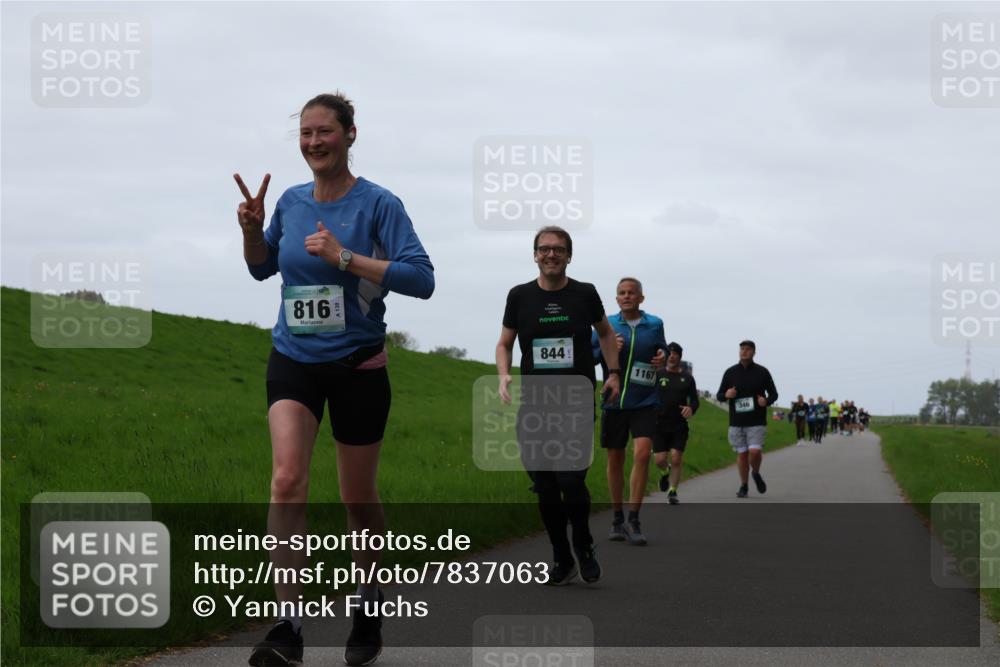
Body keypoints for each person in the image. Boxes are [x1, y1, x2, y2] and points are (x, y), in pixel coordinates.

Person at [238, 92, 434, 667]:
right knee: (286, 479)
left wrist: (345, 258)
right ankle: (288, 628)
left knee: (357, 499)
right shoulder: (292, 203)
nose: (314, 142)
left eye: (325, 132)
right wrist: (252, 229)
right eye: (305, 134)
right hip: (294, 357)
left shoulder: (379, 204)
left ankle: (368, 603)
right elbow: (260, 267)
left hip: (359, 366)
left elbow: (421, 279)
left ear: (350, 135)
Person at [497, 226, 621, 585]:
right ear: (534, 254)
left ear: (569, 255)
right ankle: (560, 554)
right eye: (544, 249)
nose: (551, 254)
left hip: (576, 401)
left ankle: (582, 543)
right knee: (546, 484)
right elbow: (505, 343)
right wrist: (504, 375)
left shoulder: (585, 294)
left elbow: (606, 333)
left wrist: (613, 373)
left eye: (559, 249)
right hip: (535, 404)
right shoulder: (519, 296)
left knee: (570, 477)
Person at [590, 278, 666, 545]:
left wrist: (662, 359)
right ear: (616, 298)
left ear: (641, 298)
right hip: (614, 401)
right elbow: (591, 356)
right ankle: (617, 518)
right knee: (615, 459)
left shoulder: (654, 324)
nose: (626, 297)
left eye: (631, 293)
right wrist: (608, 348)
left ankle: (634, 519)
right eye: (622, 293)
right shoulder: (606, 324)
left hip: (645, 399)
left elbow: (662, 351)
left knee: (643, 454)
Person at [716, 340, 778, 498]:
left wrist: (766, 401)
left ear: (754, 352)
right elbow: (719, 395)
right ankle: (744, 485)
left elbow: (774, 394)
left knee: (755, 452)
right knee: (742, 455)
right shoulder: (730, 372)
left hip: (756, 421)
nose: (744, 351)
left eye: (748, 349)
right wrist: (726, 395)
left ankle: (755, 473)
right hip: (736, 422)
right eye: (742, 349)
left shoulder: (762, 372)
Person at [653, 342, 699, 504]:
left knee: (676, 457)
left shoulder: (687, 378)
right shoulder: (657, 374)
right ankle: (665, 472)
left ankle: (672, 491)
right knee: (659, 459)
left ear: (680, 357)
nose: (672, 356)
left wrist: (690, 409)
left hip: (678, 425)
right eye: (669, 353)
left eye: (675, 354)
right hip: (658, 424)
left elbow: (694, 401)